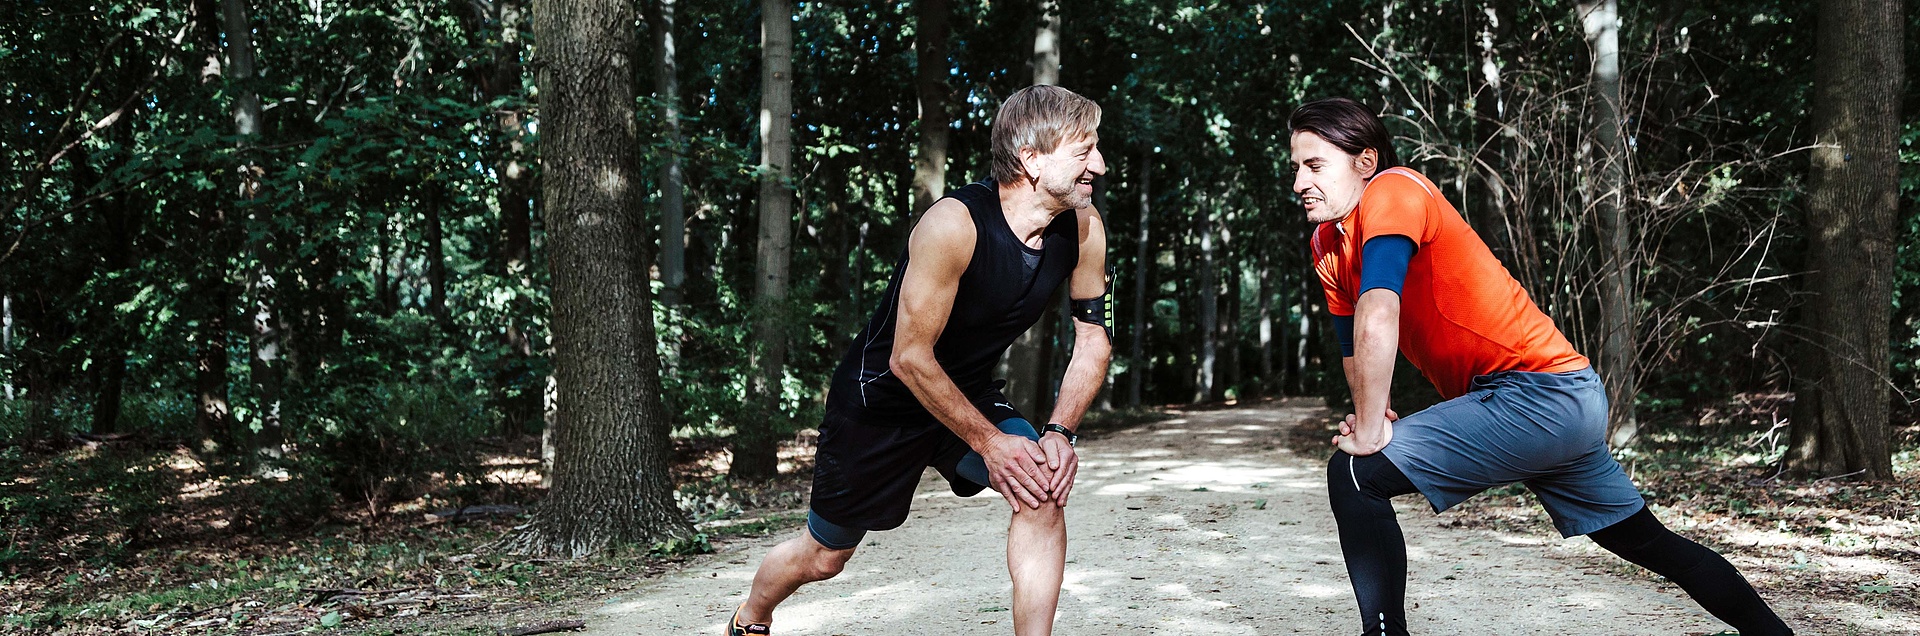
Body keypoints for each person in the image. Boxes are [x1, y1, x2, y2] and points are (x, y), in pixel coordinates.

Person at [1291, 97, 1792, 636]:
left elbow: (1379, 308)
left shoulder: (1393, 189)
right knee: (1647, 542)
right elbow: (1353, 349)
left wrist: (1368, 431)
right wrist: (1373, 410)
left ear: (1365, 162)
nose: (1299, 182)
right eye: (1295, 167)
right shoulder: (1328, 245)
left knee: (1355, 472)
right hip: (1557, 400)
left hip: (1535, 395)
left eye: (1314, 165)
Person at [725, 85, 1113, 636]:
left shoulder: (1084, 227)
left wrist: (1059, 432)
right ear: (1030, 158)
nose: (1097, 165)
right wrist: (992, 443)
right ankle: (751, 616)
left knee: (1042, 487)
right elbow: (910, 357)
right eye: (1083, 151)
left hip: (967, 391)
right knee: (824, 556)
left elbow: (1093, 340)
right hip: (882, 399)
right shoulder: (953, 224)